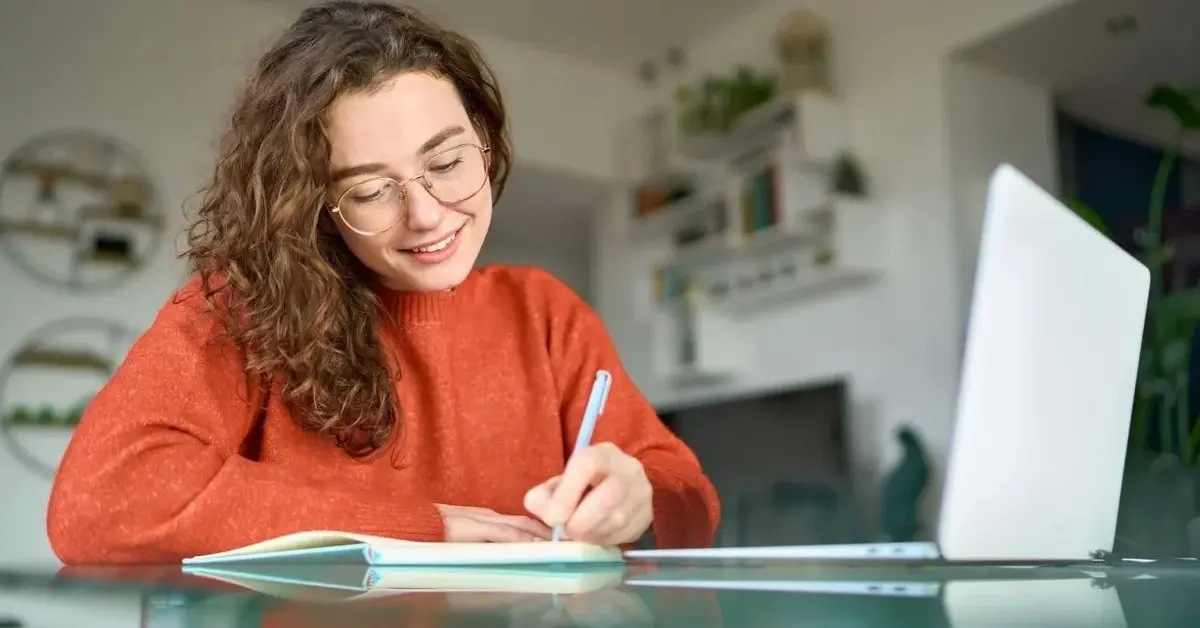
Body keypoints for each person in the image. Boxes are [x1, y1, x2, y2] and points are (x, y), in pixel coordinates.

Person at [45, 0, 720, 564]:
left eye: (449, 160)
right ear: (312, 201)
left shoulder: (545, 314)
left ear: (484, 135)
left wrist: (640, 495)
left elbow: (688, 495)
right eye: (370, 190)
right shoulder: (241, 307)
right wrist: (424, 529)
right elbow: (99, 500)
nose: (426, 214)